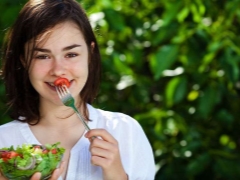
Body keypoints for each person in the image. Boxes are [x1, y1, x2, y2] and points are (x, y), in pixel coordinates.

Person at [0, 0, 155, 179]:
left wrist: (116, 174)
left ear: (90, 54)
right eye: (42, 56)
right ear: (24, 60)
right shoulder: (4, 143)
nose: (58, 70)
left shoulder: (125, 131)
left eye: (71, 54)